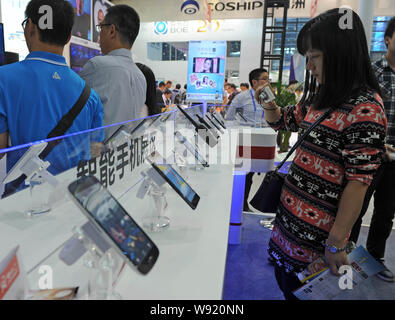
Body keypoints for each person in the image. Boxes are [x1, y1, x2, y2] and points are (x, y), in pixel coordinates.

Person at [255, 9, 387, 300]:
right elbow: (283, 120)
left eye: (314, 56)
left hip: (318, 241)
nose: (309, 65)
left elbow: (359, 182)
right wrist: (268, 105)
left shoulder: (365, 108)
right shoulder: (322, 97)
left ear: (340, 53)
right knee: (286, 285)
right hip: (290, 225)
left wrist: (336, 243)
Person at [0, 0, 104, 194]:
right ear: (68, 38)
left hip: (22, 202)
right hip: (71, 199)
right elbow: (95, 152)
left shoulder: (3, 80)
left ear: (30, 27)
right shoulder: (89, 95)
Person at [349, 16, 395, 282]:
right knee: (356, 207)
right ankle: (349, 254)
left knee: (386, 212)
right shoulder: (372, 73)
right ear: (387, 39)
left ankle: (375, 258)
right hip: (369, 155)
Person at [79, 4, 146, 138]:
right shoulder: (140, 76)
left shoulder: (97, 66)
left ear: (111, 31)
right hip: (127, 153)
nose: (99, 34)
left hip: (99, 155)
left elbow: (77, 118)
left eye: (101, 27)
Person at [225, 68, 270, 212]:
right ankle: (238, 204)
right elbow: (230, 118)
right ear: (254, 82)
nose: (268, 82)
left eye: (268, 79)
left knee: (251, 174)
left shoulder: (268, 96)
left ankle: (243, 204)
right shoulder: (241, 97)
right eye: (265, 79)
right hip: (244, 140)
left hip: (260, 140)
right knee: (241, 175)